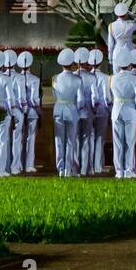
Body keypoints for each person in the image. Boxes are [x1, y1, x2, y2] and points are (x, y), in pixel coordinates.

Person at [110, 47, 136, 179]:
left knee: (117, 142)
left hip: (116, 110)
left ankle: (119, 171)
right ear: (130, 64)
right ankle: (129, 170)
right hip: (130, 111)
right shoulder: (135, 79)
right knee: (130, 142)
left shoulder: (112, 78)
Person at [52, 48, 81, 177]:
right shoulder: (77, 79)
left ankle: (60, 169)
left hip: (58, 108)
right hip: (71, 108)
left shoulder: (55, 78)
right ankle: (68, 169)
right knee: (70, 140)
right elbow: (80, 100)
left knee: (59, 140)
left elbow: (54, 95)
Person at [16, 51, 40, 174]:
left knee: (18, 137)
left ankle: (18, 163)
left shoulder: (16, 78)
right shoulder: (35, 79)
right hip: (31, 111)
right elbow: (34, 99)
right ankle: (29, 164)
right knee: (31, 138)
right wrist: (38, 108)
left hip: (19, 111)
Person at [89, 49, 111, 174]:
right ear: (101, 62)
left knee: (90, 138)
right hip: (102, 110)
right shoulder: (106, 78)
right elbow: (107, 97)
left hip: (89, 110)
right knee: (99, 138)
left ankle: (90, 165)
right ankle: (98, 166)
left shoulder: (86, 76)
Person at [75, 46, 96, 176]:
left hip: (75, 111)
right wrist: (94, 109)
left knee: (76, 140)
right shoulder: (92, 77)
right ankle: (85, 169)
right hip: (88, 111)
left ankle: (76, 168)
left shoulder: (72, 76)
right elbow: (95, 97)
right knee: (87, 139)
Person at [107, 3, 136, 72]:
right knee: (129, 75)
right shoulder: (130, 24)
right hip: (129, 50)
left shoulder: (111, 26)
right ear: (126, 13)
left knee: (117, 77)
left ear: (116, 14)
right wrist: (133, 15)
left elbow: (110, 44)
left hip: (117, 52)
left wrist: (110, 58)